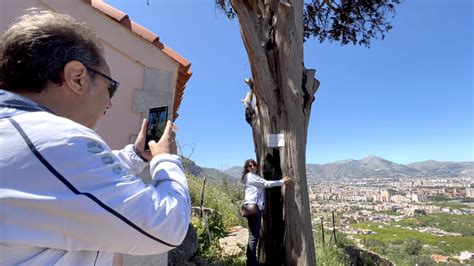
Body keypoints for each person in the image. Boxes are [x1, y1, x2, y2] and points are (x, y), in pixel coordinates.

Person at [0, 10, 191, 265]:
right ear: (77, 77)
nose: (110, 103)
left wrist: (135, 156)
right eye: (111, 87)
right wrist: (166, 160)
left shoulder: (25, 137)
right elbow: (168, 227)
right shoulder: (60, 140)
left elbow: (77, 184)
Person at [240, 159, 292, 266]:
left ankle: (250, 261)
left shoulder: (250, 177)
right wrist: (282, 182)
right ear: (247, 168)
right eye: (250, 166)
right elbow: (266, 183)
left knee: (252, 236)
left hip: (249, 208)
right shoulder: (250, 176)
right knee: (254, 237)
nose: (253, 167)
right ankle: (251, 263)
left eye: (254, 165)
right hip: (253, 208)